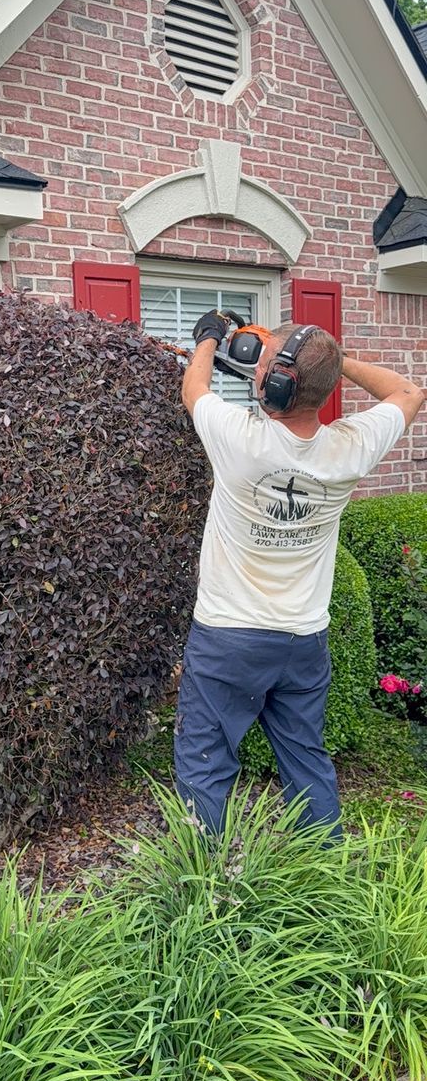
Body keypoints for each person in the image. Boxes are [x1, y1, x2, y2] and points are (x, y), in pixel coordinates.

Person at [176, 311, 425, 838]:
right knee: (304, 759)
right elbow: (406, 392)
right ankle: (323, 880)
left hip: (228, 636)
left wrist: (208, 339)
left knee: (206, 763)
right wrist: (325, 363)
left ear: (276, 381)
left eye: (264, 364)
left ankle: (200, 885)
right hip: (302, 639)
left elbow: (194, 386)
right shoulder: (349, 449)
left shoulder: (237, 438)